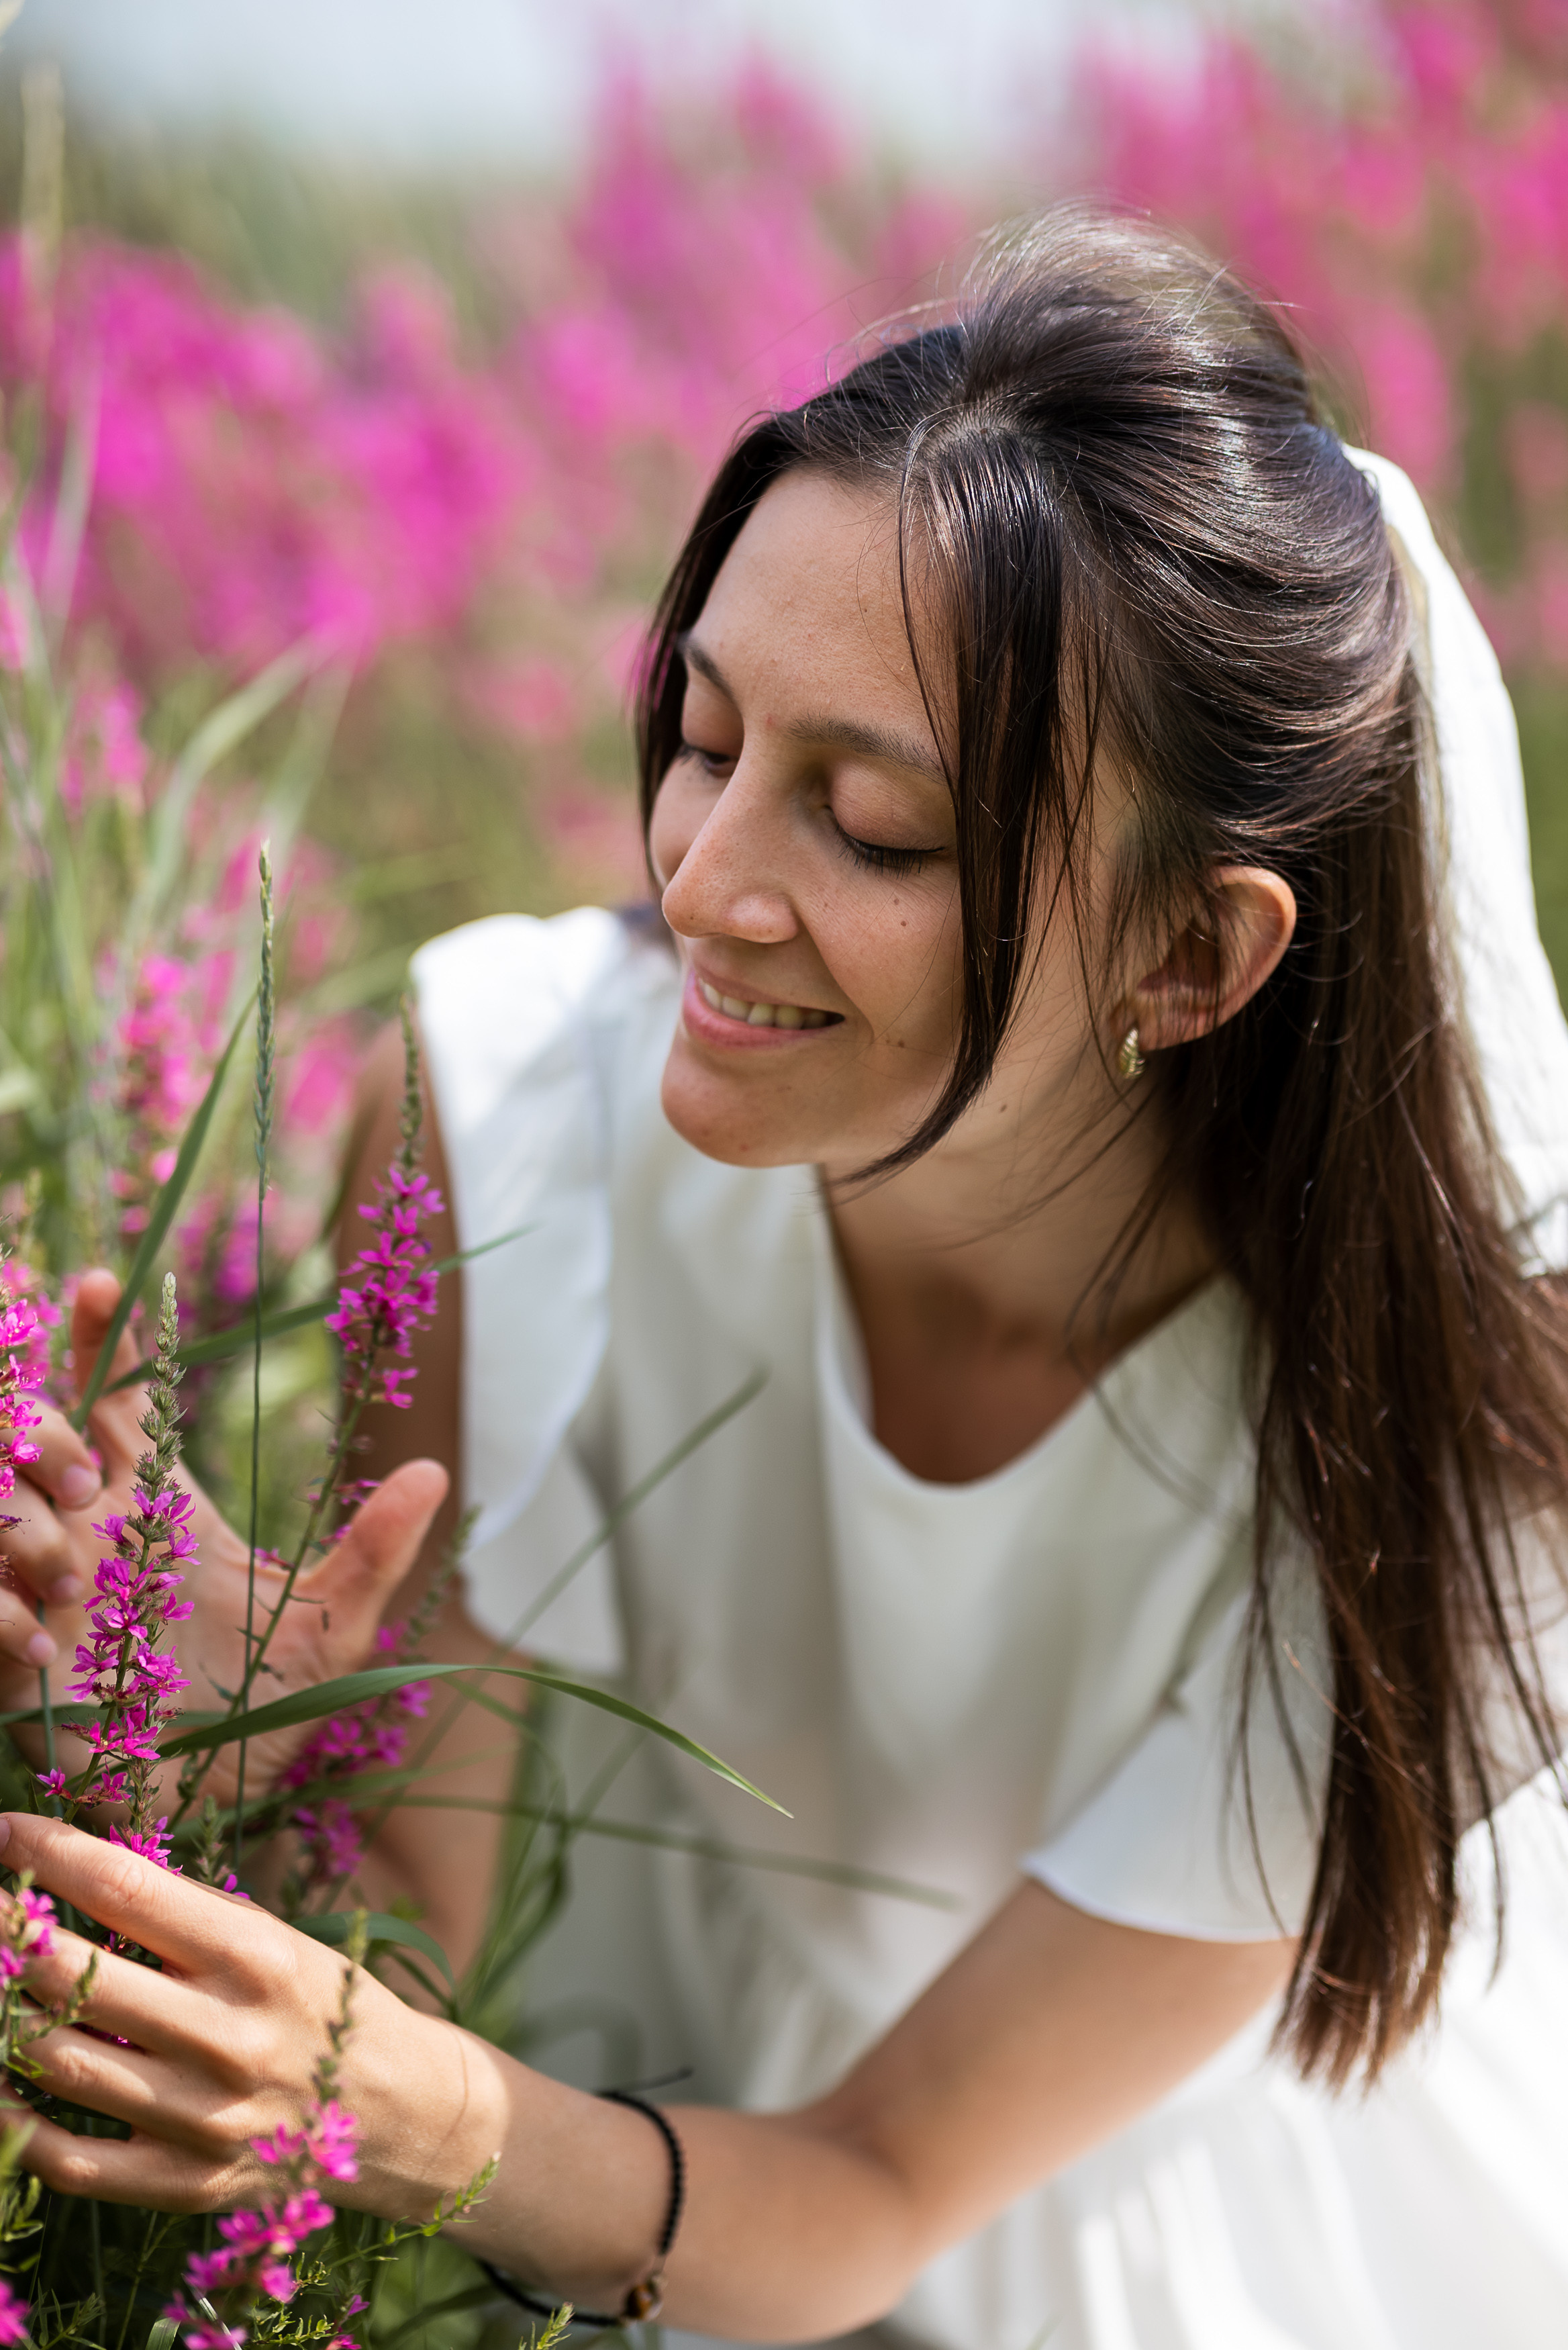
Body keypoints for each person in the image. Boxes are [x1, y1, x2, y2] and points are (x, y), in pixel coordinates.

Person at [1, 208, 1567, 2350]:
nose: (704, 883)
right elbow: (417, 1939)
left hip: (1213, 2246)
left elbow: (879, 2180)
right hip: (650, 2158)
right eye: (709, 736)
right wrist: (239, 1744)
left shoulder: (1463, 1433)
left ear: (1194, 952)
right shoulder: (512, 1120)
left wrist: (407, 2102)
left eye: (876, 826)